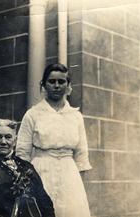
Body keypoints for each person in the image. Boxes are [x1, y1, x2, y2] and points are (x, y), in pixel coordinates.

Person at [16, 63, 92, 217]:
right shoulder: (33, 114)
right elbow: (22, 153)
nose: (56, 86)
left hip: (69, 173)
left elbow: (81, 154)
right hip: (40, 172)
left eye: (61, 81)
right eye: (51, 81)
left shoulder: (76, 116)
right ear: (43, 85)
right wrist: (27, 185)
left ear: (68, 85)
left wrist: (78, 184)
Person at [0, 119, 55, 217]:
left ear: (15, 141)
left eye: (8, 137)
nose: (3, 142)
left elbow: (45, 202)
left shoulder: (27, 166)